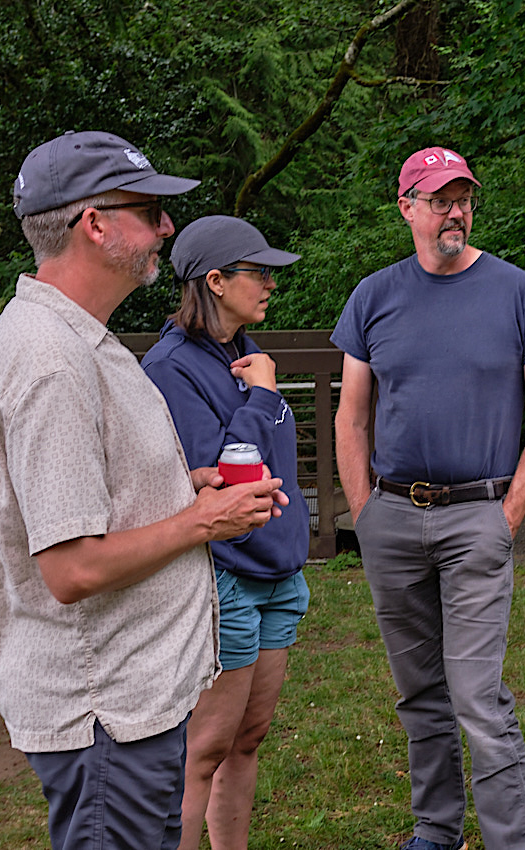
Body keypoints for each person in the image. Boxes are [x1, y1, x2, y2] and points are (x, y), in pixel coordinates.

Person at [0, 131, 287, 850]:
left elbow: (94, 497)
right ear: (95, 223)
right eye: (151, 211)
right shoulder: (52, 360)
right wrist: (203, 519)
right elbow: (72, 567)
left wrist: (185, 490)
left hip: (127, 705)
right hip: (104, 716)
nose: (167, 229)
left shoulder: (76, 337)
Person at [331, 146, 525, 850]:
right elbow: (351, 417)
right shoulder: (374, 295)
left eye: (462, 197)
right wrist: (366, 514)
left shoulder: (517, 291)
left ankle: (510, 842)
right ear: (406, 208)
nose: (453, 210)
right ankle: (435, 829)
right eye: (437, 198)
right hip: (393, 517)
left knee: (477, 698)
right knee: (418, 693)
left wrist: (509, 515)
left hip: (477, 517)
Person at [140, 215, 311, 850]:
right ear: (215, 281)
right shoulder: (172, 368)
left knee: (247, 738)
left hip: (277, 573)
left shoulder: (241, 353)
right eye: (258, 272)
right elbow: (224, 477)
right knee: (204, 750)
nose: (271, 283)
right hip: (226, 579)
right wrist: (264, 395)